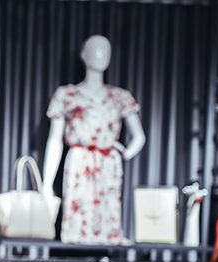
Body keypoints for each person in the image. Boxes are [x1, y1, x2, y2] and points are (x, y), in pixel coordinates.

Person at [43, 34, 146, 244]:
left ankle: (109, 236)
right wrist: (46, 184)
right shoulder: (67, 95)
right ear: (83, 54)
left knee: (107, 211)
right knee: (77, 218)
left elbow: (139, 137)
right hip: (80, 161)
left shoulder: (119, 97)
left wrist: (124, 153)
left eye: (105, 50)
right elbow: (55, 140)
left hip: (108, 162)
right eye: (95, 49)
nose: (100, 54)